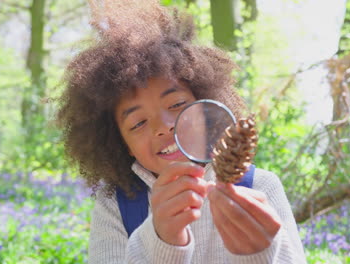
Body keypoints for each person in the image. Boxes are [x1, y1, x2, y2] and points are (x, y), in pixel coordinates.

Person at [55, 1, 306, 263]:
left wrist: (259, 253)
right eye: (138, 123)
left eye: (176, 105)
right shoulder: (115, 205)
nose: (163, 126)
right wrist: (163, 241)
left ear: (205, 107)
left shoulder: (260, 187)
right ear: (121, 143)